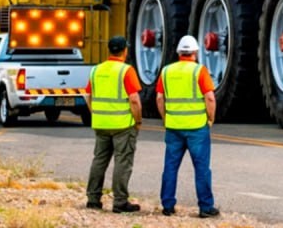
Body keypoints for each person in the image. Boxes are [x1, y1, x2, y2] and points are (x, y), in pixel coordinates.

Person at [156, 35, 219, 218]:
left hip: (173, 127)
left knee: (170, 167)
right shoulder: (199, 71)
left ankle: (167, 206)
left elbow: (159, 98)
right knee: (201, 169)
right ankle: (205, 207)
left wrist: (166, 118)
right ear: (195, 52)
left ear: (178, 52)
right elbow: (210, 97)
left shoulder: (166, 71)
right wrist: (210, 118)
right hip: (197, 127)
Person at [85, 35, 143, 213]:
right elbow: (134, 100)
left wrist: (96, 113)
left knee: (99, 160)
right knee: (122, 162)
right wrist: (138, 121)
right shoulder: (126, 71)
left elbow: (88, 95)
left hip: (101, 124)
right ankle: (120, 202)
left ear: (109, 50)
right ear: (125, 51)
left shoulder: (96, 70)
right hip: (122, 125)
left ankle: (93, 199)